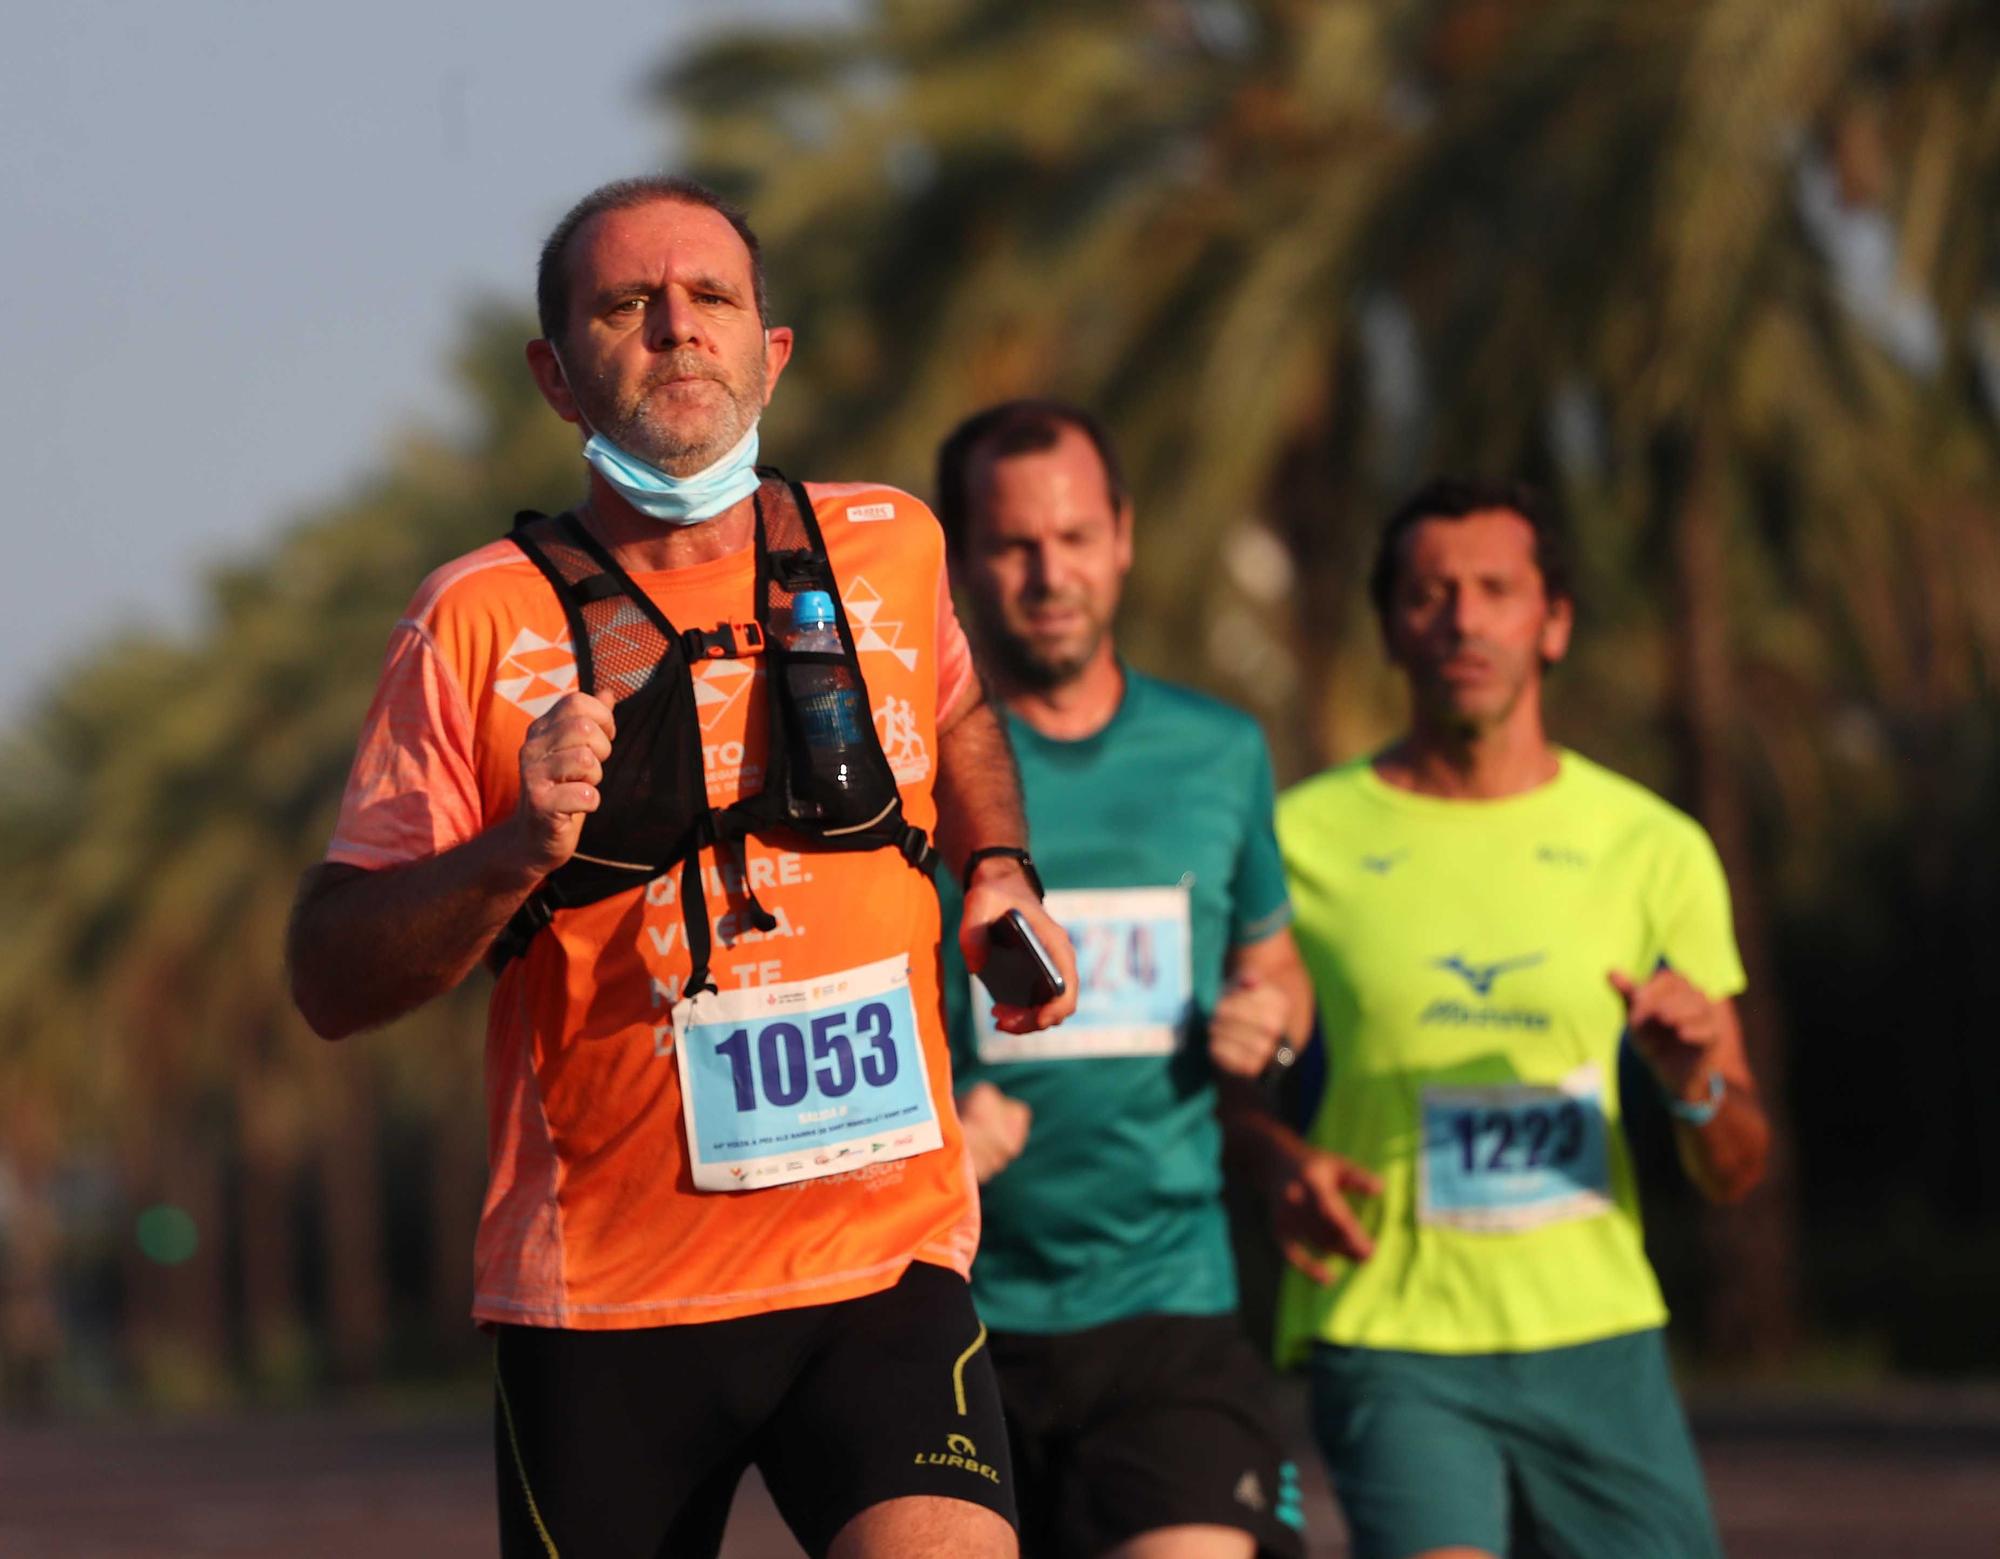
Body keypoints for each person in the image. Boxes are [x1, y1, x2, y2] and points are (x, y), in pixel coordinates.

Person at [286, 176, 1078, 1559]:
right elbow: (332, 973)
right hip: (603, 1305)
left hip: (880, 1262)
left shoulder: (892, 546)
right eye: (624, 304)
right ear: (555, 374)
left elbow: (954, 712)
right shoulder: (475, 619)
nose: (675, 327)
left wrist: (998, 864)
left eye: (710, 296)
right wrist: (514, 849)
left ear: (771, 349)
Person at [1247, 478, 1771, 1559]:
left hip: (1596, 1338)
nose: (1463, 619)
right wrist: (1268, 1155)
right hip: (1389, 1333)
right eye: (1429, 593)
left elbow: (1734, 1164)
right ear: (1389, 626)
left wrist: (1693, 1082)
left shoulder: (1653, 846)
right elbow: (1225, 1070)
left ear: (1554, 620)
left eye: (1495, 588)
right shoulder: (1297, 836)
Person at [934, 399, 1318, 1559]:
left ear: (1122, 536)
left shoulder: (1218, 752)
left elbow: (1277, 971)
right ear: (957, 558)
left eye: (1074, 537)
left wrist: (1273, 1022)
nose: (1049, 574)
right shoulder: (906, 785)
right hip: (947, 1325)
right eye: (1012, 544)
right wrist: (932, 1128)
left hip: (1165, 1311)